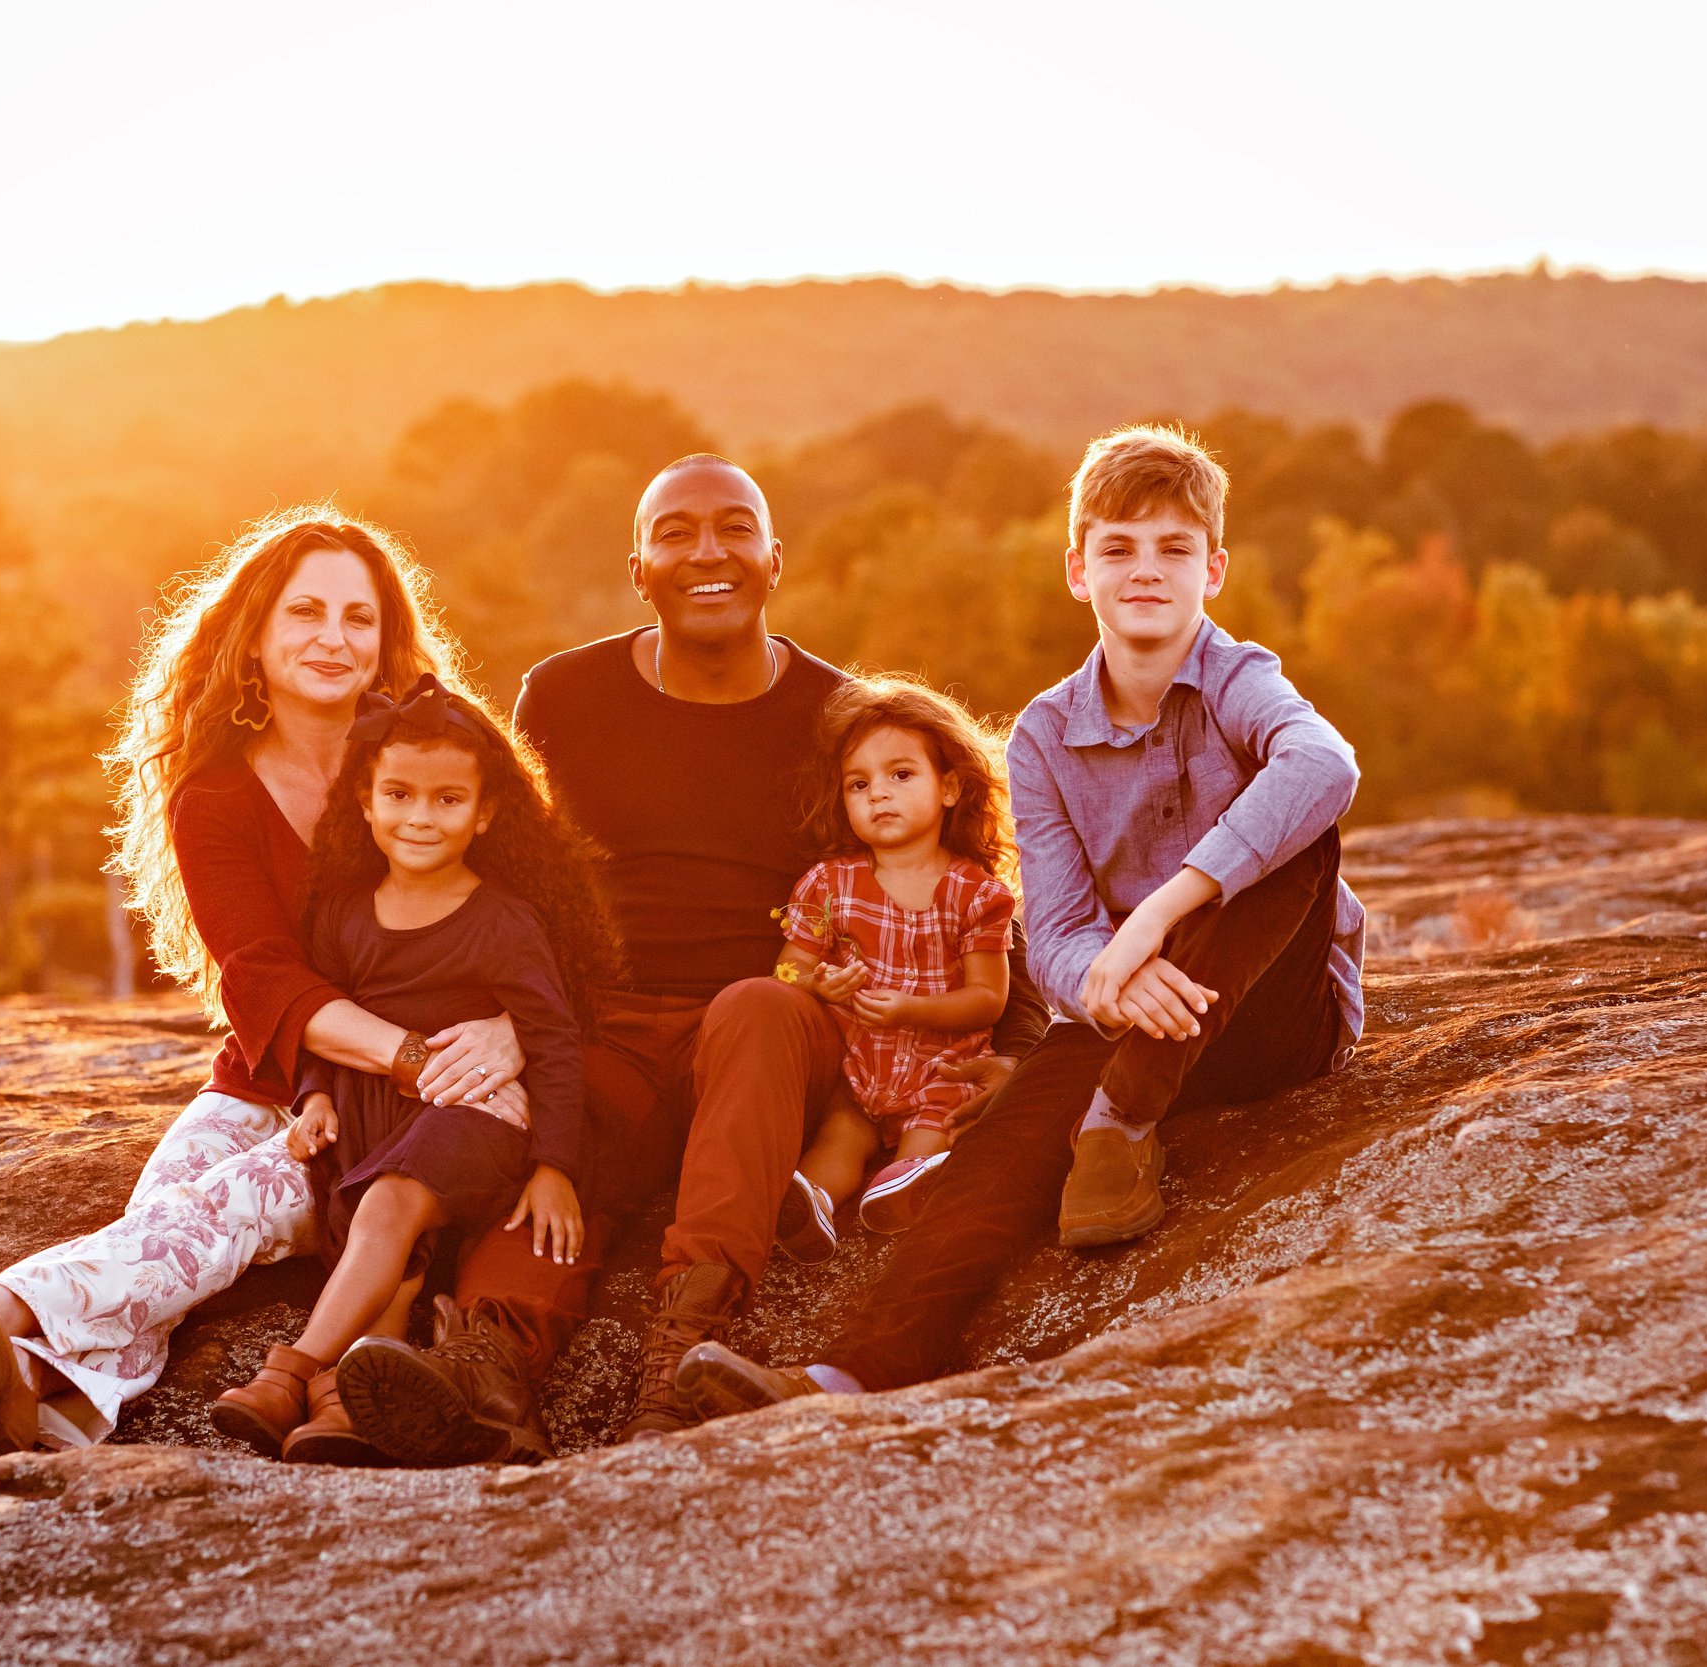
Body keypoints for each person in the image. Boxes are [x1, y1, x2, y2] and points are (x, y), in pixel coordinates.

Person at [330, 453, 1049, 1460]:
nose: (706, 551)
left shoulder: (835, 711)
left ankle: (681, 1360)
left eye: (732, 528)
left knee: (756, 1006)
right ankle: (490, 1368)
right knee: (560, 1121)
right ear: (638, 568)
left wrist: (1013, 1042)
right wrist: (497, 1020)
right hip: (605, 1015)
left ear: (773, 559)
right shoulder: (565, 695)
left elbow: (956, 874)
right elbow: (502, 874)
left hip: (771, 1030)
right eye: (674, 532)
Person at [676, 423, 1367, 1418]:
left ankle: (1126, 1111)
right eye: (1118, 549)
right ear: (1077, 569)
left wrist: (1157, 916)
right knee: (999, 1157)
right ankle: (844, 1374)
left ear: (1212, 568)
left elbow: (1325, 766)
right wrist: (1109, 972)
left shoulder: (1236, 677)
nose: (1146, 571)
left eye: (1173, 549)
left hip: (1267, 1016)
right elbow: (1052, 943)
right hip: (1131, 1010)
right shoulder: (1044, 732)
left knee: (1293, 822)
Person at [0, 507, 529, 1452]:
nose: (332, 638)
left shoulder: (428, 768)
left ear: (387, 640)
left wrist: (476, 1046)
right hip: (272, 1075)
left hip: (397, 1113)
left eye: (358, 617)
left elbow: (533, 920)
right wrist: (403, 1051)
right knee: (167, 1213)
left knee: (221, 1213)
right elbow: (259, 978)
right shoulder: (215, 794)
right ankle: (44, 1389)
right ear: (255, 636)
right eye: (305, 613)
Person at [208, 675, 616, 1465]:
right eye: (398, 794)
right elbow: (324, 1021)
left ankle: (288, 1370)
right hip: (371, 1113)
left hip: (475, 1116)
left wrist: (555, 1167)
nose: (419, 817)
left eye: (446, 800)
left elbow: (554, 1042)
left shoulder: (504, 921)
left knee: (389, 1211)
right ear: (365, 799)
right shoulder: (343, 910)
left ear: (486, 812)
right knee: (382, 1254)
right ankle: (347, 1404)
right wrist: (316, 1095)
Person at [770, 677, 1016, 1260]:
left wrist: (913, 1008)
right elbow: (783, 972)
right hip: (859, 1067)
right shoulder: (829, 885)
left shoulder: (977, 894)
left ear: (950, 786)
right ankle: (809, 1206)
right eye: (860, 784)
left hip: (943, 1066)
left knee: (931, 1133)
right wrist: (816, 983)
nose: (879, 794)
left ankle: (903, 1187)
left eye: (901, 775)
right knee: (841, 1134)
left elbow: (988, 999)